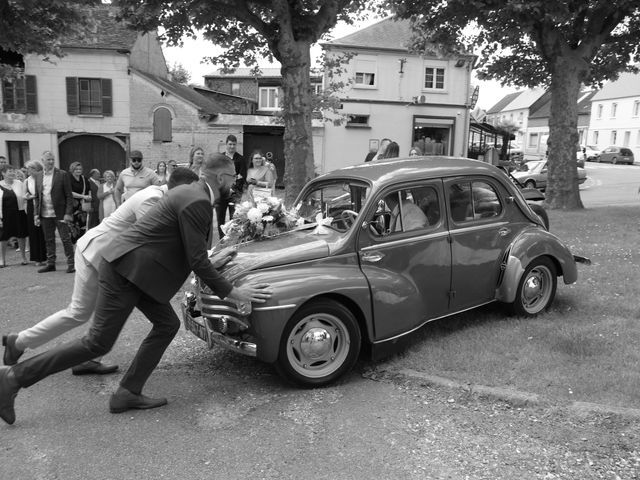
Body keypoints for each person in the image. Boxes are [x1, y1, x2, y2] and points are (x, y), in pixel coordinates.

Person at [0, 155, 273, 425]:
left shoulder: (193, 194)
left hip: (139, 272)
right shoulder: (198, 199)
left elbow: (183, 247)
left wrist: (213, 261)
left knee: (166, 325)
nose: (233, 183)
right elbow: (196, 260)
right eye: (232, 178)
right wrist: (235, 293)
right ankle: (13, 378)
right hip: (125, 271)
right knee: (97, 342)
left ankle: (127, 392)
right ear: (221, 176)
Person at [2, 167, 201, 377]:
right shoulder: (152, 199)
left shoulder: (160, 196)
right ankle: (20, 342)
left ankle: (87, 359)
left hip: (111, 259)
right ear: (181, 188)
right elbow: (153, 239)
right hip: (96, 253)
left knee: (110, 312)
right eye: (191, 192)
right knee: (79, 312)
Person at [34, 151, 75, 274]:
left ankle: (71, 264)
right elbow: (37, 197)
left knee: (65, 239)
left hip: (61, 213)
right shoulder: (38, 175)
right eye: (48, 160)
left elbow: (69, 195)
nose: (51, 162)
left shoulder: (62, 174)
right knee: (49, 239)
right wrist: (36, 214)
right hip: (45, 214)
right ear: (43, 161)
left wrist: (68, 213)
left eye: (52, 159)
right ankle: (51, 263)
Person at [217, 135, 247, 237]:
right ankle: (222, 239)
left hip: (235, 193)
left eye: (234, 144)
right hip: (221, 193)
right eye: (230, 144)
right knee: (220, 218)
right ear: (226, 144)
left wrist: (231, 186)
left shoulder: (241, 159)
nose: (232, 146)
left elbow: (242, 175)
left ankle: (231, 239)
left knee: (234, 218)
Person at [0, 166, 29, 266]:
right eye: (9, 172)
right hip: (5, 215)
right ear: (3, 173)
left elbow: (24, 195)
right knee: (3, 237)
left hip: (19, 213)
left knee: (21, 235)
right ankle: (2, 259)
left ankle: (23, 257)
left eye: (13, 172)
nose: (12, 174)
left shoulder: (19, 183)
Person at [24, 160, 47, 266]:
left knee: (43, 231)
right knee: (33, 232)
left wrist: (34, 196)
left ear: (35, 169)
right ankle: (37, 258)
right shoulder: (27, 180)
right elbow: (24, 194)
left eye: (30, 168)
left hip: (41, 206)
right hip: (31, 207)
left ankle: (46, 256)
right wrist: (27, 196)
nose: (27, 170)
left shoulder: (42, 178)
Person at [68, 162, 91, 241]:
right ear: (72, 170)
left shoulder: (84, 178)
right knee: (73, 227)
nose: (78, 171)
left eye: (80, 169)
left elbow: (88, 190)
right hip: (72, 206)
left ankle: (81, 244)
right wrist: (83, 196)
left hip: (82, 206)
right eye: (76, 169)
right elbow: (70, 192)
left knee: (83, 226)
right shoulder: (68, 178)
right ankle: (74, 245)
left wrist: (89, 197)